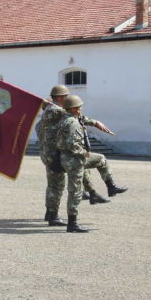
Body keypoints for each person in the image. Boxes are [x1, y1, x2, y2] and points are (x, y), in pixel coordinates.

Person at [38, 85, 111, 227]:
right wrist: (95, 122)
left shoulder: (49, 109)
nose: (68, 99)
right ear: (59, 98)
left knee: (54, 185)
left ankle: (51, 213)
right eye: (66, 96)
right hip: (55, 154)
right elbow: (75, 116)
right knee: (58, 185)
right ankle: (55, 215)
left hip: (49, 153)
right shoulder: (56, 110)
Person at [57, 95, 128, 232]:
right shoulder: (72, 123)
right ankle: (72, 224)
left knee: (101, 159)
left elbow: (83, 120)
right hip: (74, 159)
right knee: (75, 191)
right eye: (79, 107)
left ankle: (111, 186)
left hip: (69, 158)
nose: (81, 109)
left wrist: (95, 122)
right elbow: (73, 144)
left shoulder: (67, 119)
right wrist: (84, 153)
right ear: (74, 109)